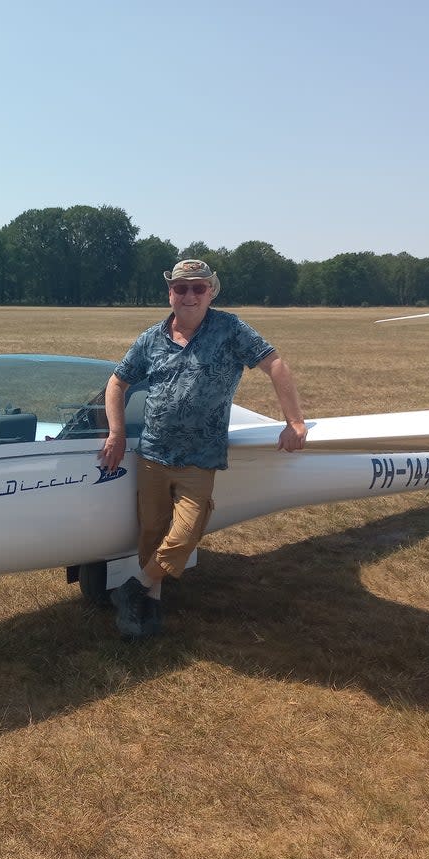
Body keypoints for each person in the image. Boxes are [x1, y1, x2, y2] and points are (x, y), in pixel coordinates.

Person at [97, 259, 307, 639]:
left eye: (198, 288)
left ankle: (132, 588)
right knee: (151, 533)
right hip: (153, 455)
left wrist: (294, 421)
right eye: (181, 288)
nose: (189, 295)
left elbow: (274, 363)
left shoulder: (229, 329)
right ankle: (150, 604)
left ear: (211, 292)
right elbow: (116, 383)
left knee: (184, 535)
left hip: (200, 458)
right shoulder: (151, 338)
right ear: (170, 294)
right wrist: (116, 433)